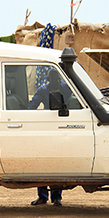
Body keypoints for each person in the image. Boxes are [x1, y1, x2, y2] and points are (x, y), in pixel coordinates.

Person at [29, 68, 69, 206]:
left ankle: (57, 197)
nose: (57, 81)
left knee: (58, 163)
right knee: (43, 163)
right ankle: (42, 196)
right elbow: (33, 106)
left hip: (63, 124)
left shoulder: (65, 87)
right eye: (54, 79)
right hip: (47, 126)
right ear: (49, 80)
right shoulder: (42, 90)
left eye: (58, 78)